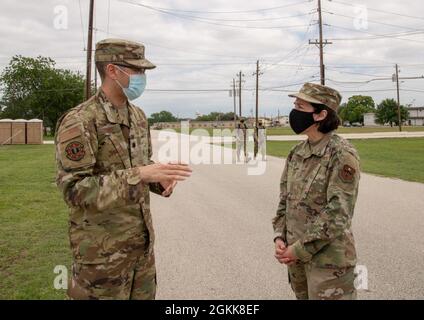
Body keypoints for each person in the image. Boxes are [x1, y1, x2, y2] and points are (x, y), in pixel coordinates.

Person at [55, 38, 192, 300]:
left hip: (141, 252)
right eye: (136, 70)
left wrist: (158, 179)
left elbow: (141, 164)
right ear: (112, 70)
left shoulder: (138, 117)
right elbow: (74, 190)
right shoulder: (80, 120)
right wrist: (140, 175)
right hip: (101, 258)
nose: (142, 77)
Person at [272, 82, 360, 300]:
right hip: (296, 258)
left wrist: (299, 249)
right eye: (295, 106)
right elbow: (286, 199)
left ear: (320, 115)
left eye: (300, 107)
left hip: (329, 265)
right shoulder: (297, 152)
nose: (294, 113)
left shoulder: (341, 154)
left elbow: (338, 213)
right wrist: (280, 237)